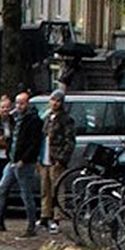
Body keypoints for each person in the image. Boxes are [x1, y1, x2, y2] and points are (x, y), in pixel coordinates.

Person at [0, 91, 42, 236]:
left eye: (22, 103)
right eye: (17, 103)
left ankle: (31, 225)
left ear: (28, 104)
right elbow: (11, 138)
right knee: (0, 189)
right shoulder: (16, 119)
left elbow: (34, 144)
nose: (18, 106)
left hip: (24, 163)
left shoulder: (34, 121)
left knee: (26, 194)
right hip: (12, 161)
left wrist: (23, 160)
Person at [40, 86, 76, 231]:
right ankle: (44, 215)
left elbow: (70, 141)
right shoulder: (48, 117)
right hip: (45, 158)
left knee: (57, 188)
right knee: (45, 188)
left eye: (58, 101)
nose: (54, 103)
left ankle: (57, 217)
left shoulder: (66, 120)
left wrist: (61, 159)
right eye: (53, 100)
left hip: (56, 159)